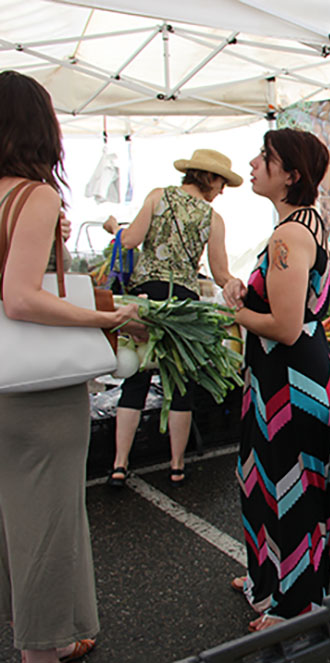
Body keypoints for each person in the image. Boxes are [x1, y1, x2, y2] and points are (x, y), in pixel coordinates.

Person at [0, 70, 142, 663]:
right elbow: (21, 296)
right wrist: (105, 322)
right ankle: (42, 649)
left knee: (9, 517)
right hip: (34, 391)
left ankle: (32, 632)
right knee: (49, 523)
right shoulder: (33, 196)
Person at [221, 128, 330, 632]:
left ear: (290, 174)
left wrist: (234, 310)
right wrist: (244, 296)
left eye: (263, 157)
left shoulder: (289, 235)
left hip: (292, 383)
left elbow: (285, 327)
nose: (251, 163)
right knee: (266, 480)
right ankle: (268, 579)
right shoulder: (301, 224)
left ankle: (294, 607)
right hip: (282, 380)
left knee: (289, 488)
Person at [103, 148, 242, 488]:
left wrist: (113, 229)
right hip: (184, 305)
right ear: (208, 177)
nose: (221, 190)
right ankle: (177, 465)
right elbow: (221, 273)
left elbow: (132, 240)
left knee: (134, 379)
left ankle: (120, 465)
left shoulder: (157, 196)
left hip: (146, 300)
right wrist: (235, 285)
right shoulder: (212, 219)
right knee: (180, 386)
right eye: (221, 182)